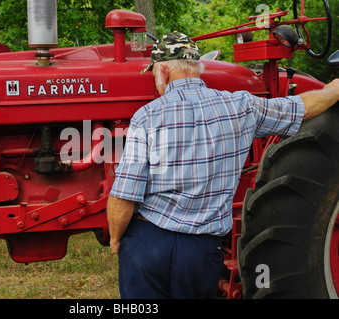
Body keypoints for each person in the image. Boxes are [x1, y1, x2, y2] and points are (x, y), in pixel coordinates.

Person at [107, 31, 339, 299]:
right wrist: (333, 89)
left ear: (163, 71)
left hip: (148, 244)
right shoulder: (240, 107)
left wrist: (117, 240)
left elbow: (123, 197)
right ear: (197, 67)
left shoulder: (145, 117)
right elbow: (301, 107)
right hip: (201, 250)